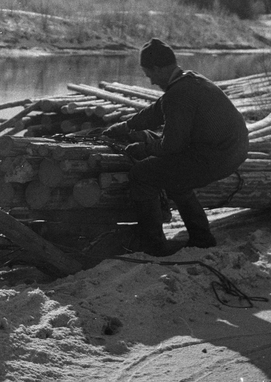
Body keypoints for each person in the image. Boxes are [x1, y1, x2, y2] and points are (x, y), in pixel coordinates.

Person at [103, 38, 248, 255]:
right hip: (230, 149)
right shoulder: (188, 80)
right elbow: (157, 111)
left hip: (219, 156)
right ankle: (202, 238)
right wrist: (126, 126)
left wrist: (142, 150)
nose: (150, 81)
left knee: (143, 174)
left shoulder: (179, 93)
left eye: (149, 74)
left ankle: (153, 245)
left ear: (159, 68)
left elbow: (171, 146)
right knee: (175, 177)